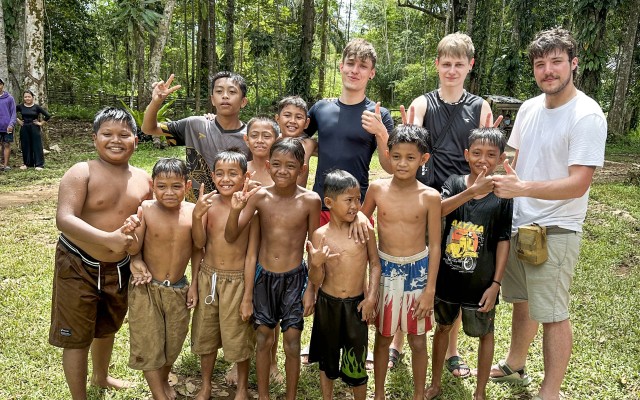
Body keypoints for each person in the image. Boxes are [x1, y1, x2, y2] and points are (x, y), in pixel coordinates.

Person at [491, 27, 607, 400]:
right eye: (541, 64)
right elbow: (514, 161)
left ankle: (550, 392)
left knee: (554, 313)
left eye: (556, 61)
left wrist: (523, 188)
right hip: (520, 221)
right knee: (522, 300)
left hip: (556, 227)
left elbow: (578, 183)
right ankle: (515, 363)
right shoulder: (527, 108)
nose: (548, 70)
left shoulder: (587, 114)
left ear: (573, 63)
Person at [396, 32, 495, 377]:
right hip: (426, 196)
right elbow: (409, 143)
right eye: (446, 64)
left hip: (463, 201)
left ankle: (452, 349)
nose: (452, 70)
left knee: (452, 270)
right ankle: (397, 342)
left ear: (470, 66)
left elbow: (486, 154)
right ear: (437, 65)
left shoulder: (480, 106)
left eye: (459, 64)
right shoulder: (422, 104)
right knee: (411, 265)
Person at [50, 107, 153, 399]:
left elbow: (146, 222)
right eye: (107, 134)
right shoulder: (81, 172)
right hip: (77, 262)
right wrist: (108, 238)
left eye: (124, 134)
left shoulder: (144, 180)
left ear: (136, 139)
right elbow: (65, 219)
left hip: (118, 266)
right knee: (77, 338)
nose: (115, 140)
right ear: (95, 138)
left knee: (107, 326)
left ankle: (101, 376)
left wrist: (135, 257)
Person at [225, 138, 320, 400]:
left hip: (295, 279)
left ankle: (290, 396)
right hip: (264, 278)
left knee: (292, 340)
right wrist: (235, 211)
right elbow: (232, 235)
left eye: (290, 166)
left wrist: (311, 288)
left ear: (302, 168)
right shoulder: (260, 197)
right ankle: (264, 395)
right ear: (268, 165)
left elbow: (314, 248)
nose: (282, 171)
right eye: (276, 164)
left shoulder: (311, 200)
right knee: (264, 338)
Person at [424, 128, 513, 400]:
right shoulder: (454, 182)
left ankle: (480, 391)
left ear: (500, 159)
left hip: (482, 282)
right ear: (466, 155)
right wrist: (471, 191)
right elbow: (437, 210)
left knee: (485, 333)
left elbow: (503, 239)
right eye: (476, 153)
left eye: (490, 155)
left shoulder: (503, 195)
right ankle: (435, 383)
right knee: (443, 328)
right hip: (448, 280)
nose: (482, 159)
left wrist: (496, 284)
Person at [360, 124, 442, 400]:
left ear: (424, 159)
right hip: (384, 269)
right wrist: (366, 284)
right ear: (387, 154)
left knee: (418, 340)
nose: (402, 163)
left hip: (418, 272)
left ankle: (418, 395)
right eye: (396, 156)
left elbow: (436, 245)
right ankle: (379, 393)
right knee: (383, 337)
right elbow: (361, 225)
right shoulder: (376, 190)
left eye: (410, 157)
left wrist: (429, 289)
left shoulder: (430, 196)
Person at [123, 158, 198, 400]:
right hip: (146, 288)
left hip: (178, 289)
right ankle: (159, 395)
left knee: (173, 343)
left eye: (176, 186)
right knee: (149, 342)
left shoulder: (194, 212)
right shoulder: (146, 209)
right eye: (162, 186)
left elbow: (199, 250)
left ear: (187, 186)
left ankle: (164, 380)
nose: (169, 192)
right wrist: (130, 233)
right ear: (153, 187)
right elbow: (134, 249)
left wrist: (194, 285)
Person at [306, 169, 381, 400]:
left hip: (356, 306)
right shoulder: (320, 236)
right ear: (329, 202)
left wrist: (371, 298)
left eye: (358, 199)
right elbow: (316, 280)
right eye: (349, 200)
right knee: (327, 362)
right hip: (328, 305)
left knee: (356, 362)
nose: (355, 206)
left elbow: (375, 264)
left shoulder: (364, 229)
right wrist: (316, 265)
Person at [191, 150, 260, 400]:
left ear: (245, 177)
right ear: (212, 176)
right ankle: (206, 385)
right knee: (205, 335)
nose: (226, 179)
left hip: (237, 280)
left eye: (233, 173)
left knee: (238, 338)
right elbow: (198, 243)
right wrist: (197, 215)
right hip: (208, 277)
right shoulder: (208, 204)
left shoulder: (251, 210)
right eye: (219, 173)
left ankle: (242, 388)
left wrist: (248, 296)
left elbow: (251, 256)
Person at [306, 38, 394, 225]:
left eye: (363, 66)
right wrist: (312, 145)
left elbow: (390, 167)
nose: (355, 70)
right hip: (321, 204)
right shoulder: (320, 108)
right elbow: (295, 143)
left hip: (357, 207)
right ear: (341, 66)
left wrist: (381, 132)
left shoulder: (379, 115)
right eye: (351, 63)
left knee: (356, 255)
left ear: (372, 73)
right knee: (319, 254)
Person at [142, 72, 250, 201]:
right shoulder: (194, 125)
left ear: (243, 101)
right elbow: (149, 129)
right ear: (212, 99)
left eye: (232, 92)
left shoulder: (252, 137)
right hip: (195, 210)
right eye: (219, 91)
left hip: (238, 208)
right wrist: (156, 102)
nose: (225, 96)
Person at [274, 96, 314, 187]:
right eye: (287, 115)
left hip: (299, 199)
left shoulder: (309, 145)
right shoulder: (272, 142)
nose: (292, 121)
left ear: (306, 123)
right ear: (277, 119)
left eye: (299, 117)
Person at [16, 89, 51, 170]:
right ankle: (27, 164)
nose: (27, 98)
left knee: (37, 145)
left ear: (32, 97)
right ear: (23, 98)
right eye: (25, 97)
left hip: (34, 127)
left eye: (29, 97)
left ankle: (39, 164)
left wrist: (41, 123)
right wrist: (18, 120)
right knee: (25, 145)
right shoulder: (20, 106)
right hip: (24, 127)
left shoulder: (37, 107)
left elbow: (48, 115)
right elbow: (11, 111)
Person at [245, 116, 279, 186]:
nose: (260, 141)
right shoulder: (239, 170)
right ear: (247, 140)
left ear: (277, 141)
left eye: (266, 136)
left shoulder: (282, 172)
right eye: (254, 136)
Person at [0, 78, 16, 171]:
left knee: (6, 145)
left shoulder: (9, 98)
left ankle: (6, 165)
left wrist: (11, 125)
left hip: (7, 127)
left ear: (3, 85)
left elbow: (13, 113)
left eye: (0, 84)